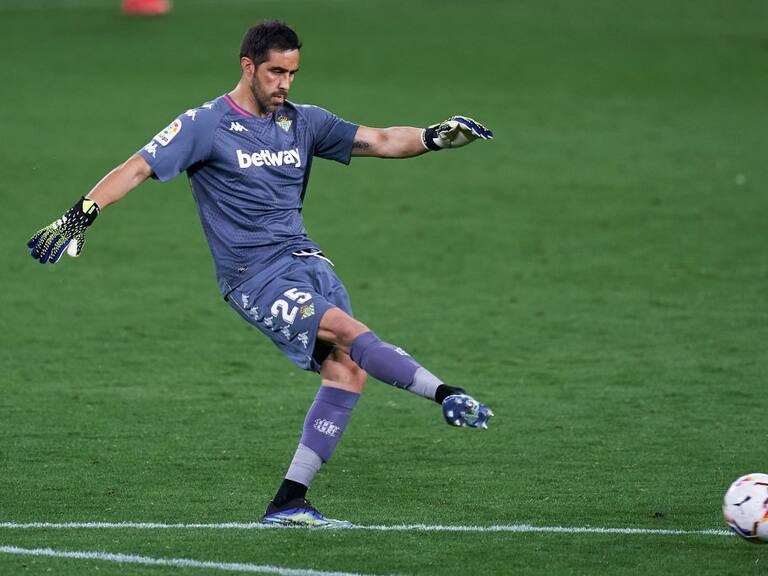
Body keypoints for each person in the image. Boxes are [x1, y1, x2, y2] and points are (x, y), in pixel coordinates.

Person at [27, 20, 494, 528]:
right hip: (254, 276)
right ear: (248, 66)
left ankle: (289, 502)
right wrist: (80, 215)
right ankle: (446, 393)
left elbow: (380, 139)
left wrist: (432, 137)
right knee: (347, 332)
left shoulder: (304, 121)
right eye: (275, 72)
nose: (284, 84)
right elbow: (139, 166)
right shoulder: (205, 124)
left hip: (309, 264)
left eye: (292, 73)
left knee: (347, 370)